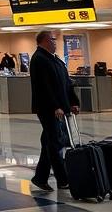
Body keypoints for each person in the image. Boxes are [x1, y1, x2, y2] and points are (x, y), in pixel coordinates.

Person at [29, 30, 79, 192]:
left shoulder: (55, 60)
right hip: (48, 108)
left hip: (61, 107)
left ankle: (40, 177)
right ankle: (62, 178)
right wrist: (55, 106)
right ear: (42, 41)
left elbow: (66, 82)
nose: (55, 42)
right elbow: (43, 87)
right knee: (56, 141)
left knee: (50, 141)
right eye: (51, 39)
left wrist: (72, 102)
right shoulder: (39, 59)